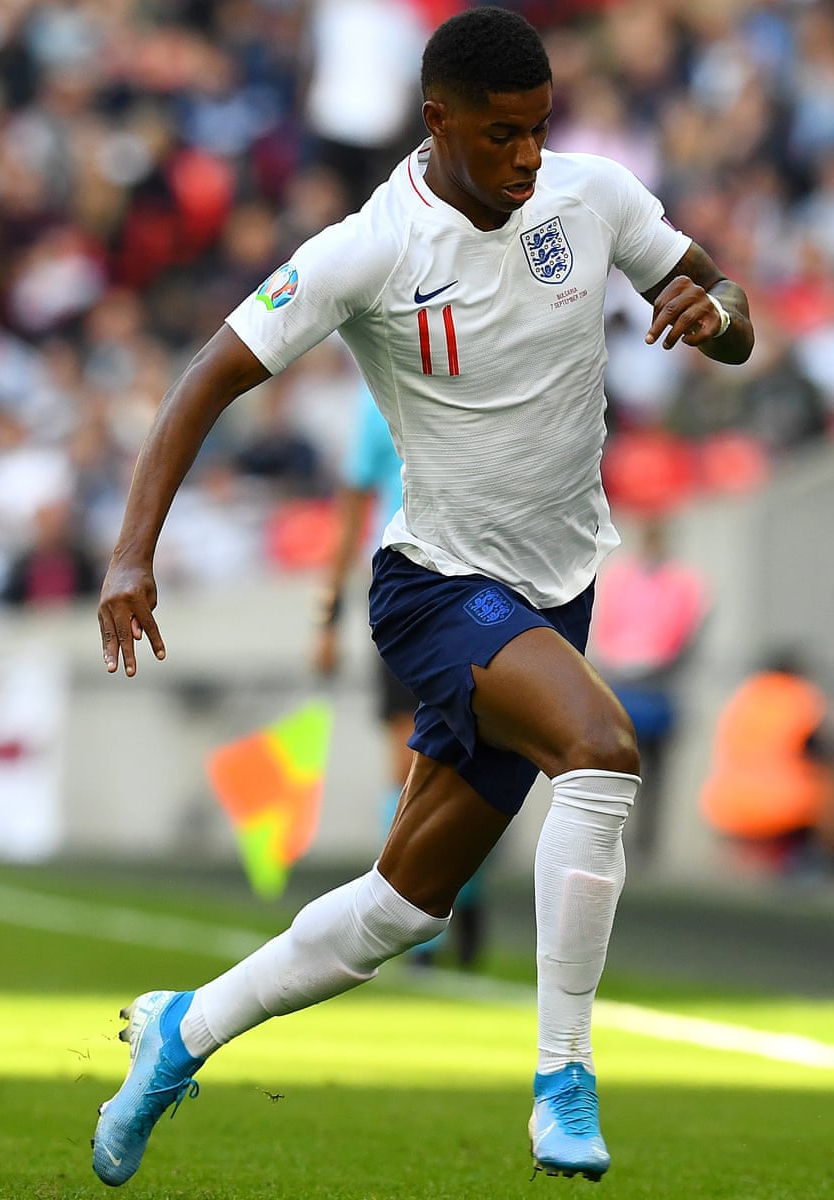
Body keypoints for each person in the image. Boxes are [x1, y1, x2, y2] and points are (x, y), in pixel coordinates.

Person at [93, 7, 753, 1187]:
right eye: (502, 134)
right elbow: (210, 376)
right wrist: (132, 554)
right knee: (600, 749)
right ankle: (563, 1077)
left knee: (404, 909)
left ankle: (179, 1032)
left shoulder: (592, 196)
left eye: (539, 130)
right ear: (436, 121)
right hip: (438, 588)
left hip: (562, 590)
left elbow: (730, 307)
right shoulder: (369, 248)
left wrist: (718, 314)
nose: (526, 158)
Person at [313, 383, 488, 968]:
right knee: (425, 761)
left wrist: (328, 618)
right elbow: (353, 509)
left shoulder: (379, 393)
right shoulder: (378, 396)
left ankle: (439, 917)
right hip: (421, 589)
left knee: (449, 760)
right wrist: (330, 612)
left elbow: (351, 510)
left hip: (446, 587)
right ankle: (438, 921)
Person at [589, 514, 709, 862]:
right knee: (619, 764)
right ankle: (615, 837)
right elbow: (609, 627)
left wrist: (653, 660)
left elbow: (682, 632)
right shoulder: (623, 579)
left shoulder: (683, 583)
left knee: (654, 770)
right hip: (624, 682)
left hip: (657, 685)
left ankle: (645, 844)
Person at [699, 651, 834, 876]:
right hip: (786, 810)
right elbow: (821, 751)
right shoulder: (800, 697)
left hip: (729, 804)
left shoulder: (746, 696)